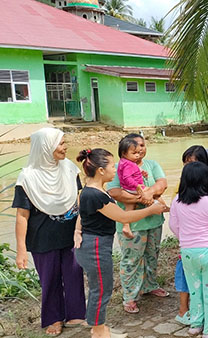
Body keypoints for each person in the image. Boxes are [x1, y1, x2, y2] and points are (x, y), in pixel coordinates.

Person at [74, 148, 165, 338]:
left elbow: (82, 214)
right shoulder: (94, 195)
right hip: (95, 247)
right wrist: (152, 210)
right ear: (100, 170)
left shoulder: (93, 191)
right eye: (112, 165)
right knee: (101, 288)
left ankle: (99, 327)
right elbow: (122, 216)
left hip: (96, 244)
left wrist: (77, 231)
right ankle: (99, 332)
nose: (116, 169)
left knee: (100, 287)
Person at [13, 128, 86, 336]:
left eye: (64, 142)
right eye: (60, 144)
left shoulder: (70, 169)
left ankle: (76, 314)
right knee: (50, 279)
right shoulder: (27, 178)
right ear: (45, 147)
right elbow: (22, 216)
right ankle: (54, 318)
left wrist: (82, 229)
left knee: (74, 274)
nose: (65, 147)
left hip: (71, 235)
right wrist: (20, 250)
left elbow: (78, 200)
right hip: (42, 239)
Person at [106, 133, 169, 314]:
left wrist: (149, 193)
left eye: (142, 144)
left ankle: (150, 285)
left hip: (154, 221)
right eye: (136, 147)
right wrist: (142, 197)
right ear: (125, 151)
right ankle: (130, 297)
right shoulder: (118, 167)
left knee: (152, 255)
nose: (140, 149)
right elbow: (115, 192)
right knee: (131, 260)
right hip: (132, 224)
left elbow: (162, 183)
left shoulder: (152, 164)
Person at [169, 162, 208, 337]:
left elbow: (173, 226)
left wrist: (186, 239)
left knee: (195, 289)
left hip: (187, 251)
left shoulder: (176, 201)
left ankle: (195, 323)